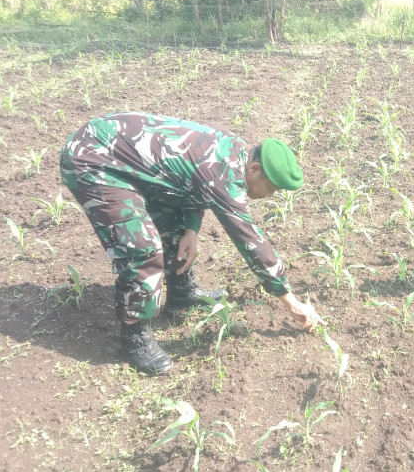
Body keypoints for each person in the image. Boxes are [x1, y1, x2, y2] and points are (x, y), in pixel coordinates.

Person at [60, 112, 324, 374]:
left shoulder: (234, 152)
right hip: (94, 161)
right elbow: (251, 242)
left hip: (122, 156)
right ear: (254, 169)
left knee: (175, 227)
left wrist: (191, 230)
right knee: (143, 252)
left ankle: (181, 293)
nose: (270, 195)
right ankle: (134, 334)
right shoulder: (225, 173)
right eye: (272, 188)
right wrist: (290, 300)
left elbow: (193, 184)